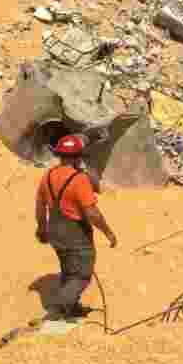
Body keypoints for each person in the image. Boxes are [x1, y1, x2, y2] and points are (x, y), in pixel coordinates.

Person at [34, 134, 117, 320]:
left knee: (69, 269)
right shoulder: (79, 179)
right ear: (78, 156)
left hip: (54, 230)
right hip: (75, 233)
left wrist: (41, 228)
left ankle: (71, 308)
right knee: (82, 274)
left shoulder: (48, 176)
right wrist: (108, 232)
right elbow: (91, 213)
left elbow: (40, 205)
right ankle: (60, 308)